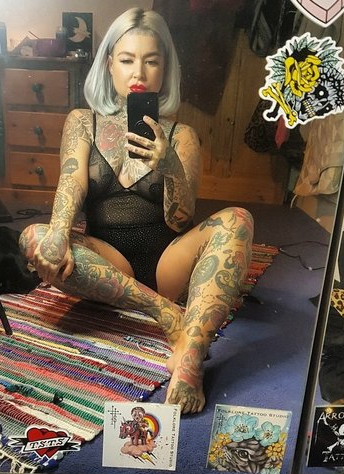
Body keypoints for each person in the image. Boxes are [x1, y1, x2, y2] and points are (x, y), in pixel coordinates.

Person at [19, 7, 253, 414]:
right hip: (109, 264)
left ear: (165, 69)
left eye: (151, 61)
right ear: (109, 64)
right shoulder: (82, 122)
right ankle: (166, 315)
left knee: (239, 220)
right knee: (34, 237)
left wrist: (169, 164)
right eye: (127, 60)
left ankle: (190, 357)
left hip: (167, 264)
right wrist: (57, 235)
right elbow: (71, 185)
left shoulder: (183, 135)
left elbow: (180, 220)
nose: (138, 73)